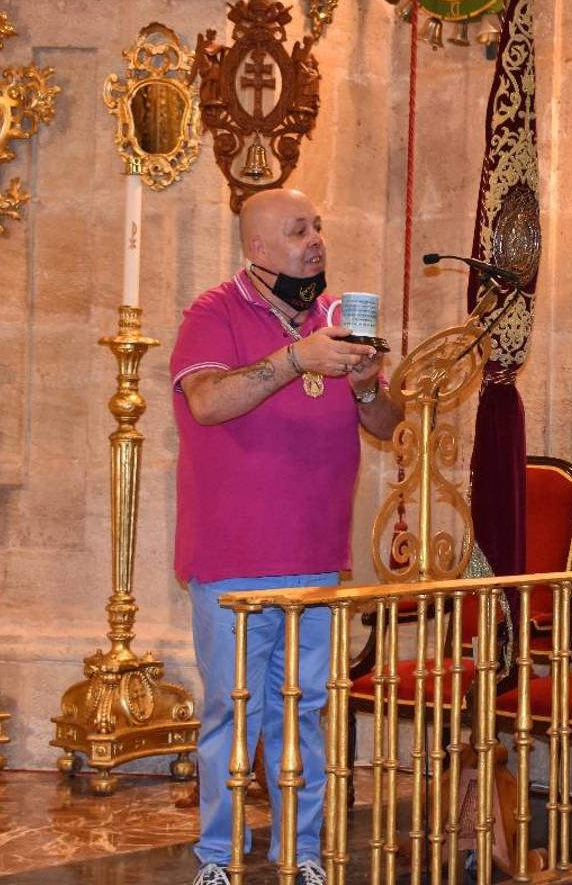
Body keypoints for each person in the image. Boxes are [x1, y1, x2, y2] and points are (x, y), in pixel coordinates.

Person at [171, 188, 403, 885]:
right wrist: (295, 360)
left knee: (305, 712)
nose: (317, 240)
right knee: (231, 716)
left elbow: (390, 424)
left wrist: (366, 385)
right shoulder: (213, 312)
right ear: (260, 250)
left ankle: (300, 853)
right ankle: (218, 855)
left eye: (319, 227)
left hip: (316, 559)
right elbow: (208, 401)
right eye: (300, 231)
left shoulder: (339, 318)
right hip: (233, 558)